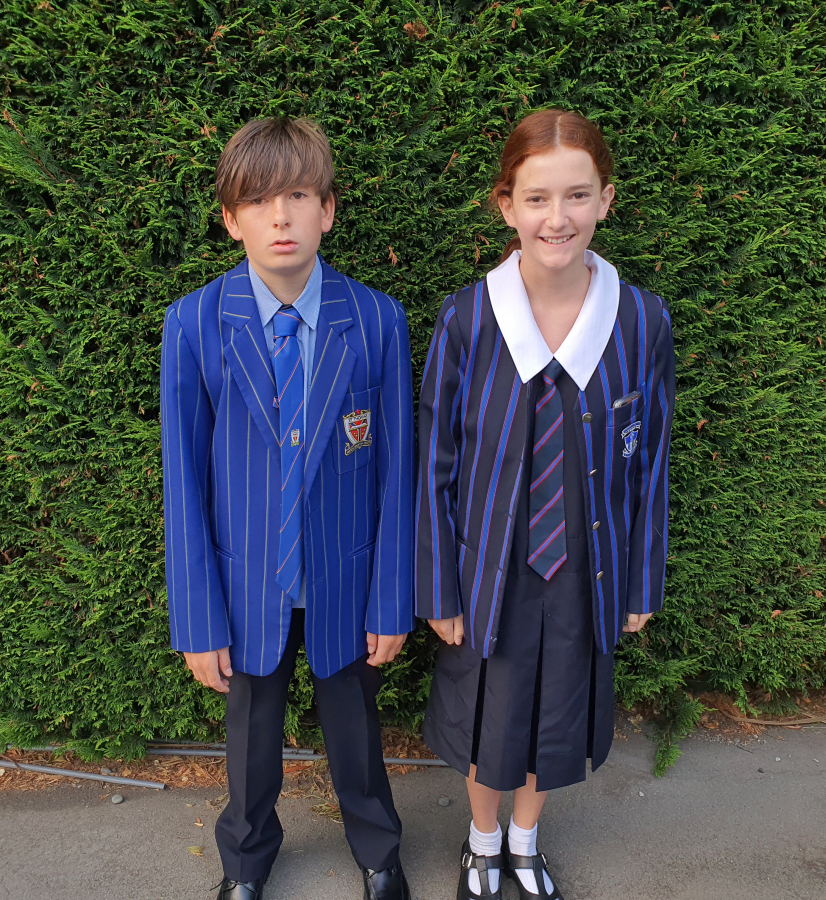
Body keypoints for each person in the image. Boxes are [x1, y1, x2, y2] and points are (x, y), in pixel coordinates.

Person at [415, 108, 676, 900]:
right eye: (536, 199)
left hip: (585, 567)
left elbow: (652, 460)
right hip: (487, 568)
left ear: (605, 200)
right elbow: (435, 462)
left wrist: (640, 584)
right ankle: (480, 839)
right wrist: (437, 586)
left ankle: (525, 842)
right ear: (506, 206)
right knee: (487, 712)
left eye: (575, 196)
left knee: (555, 713)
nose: (555, 218)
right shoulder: (467, 318)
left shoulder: (638, 321)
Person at [161, 117, 414, 900]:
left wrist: (393, 598)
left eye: (298, 196)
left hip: (345, 576)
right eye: (259, 201)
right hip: (244, 587)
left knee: (357, 734)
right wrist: (198, 619)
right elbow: (185, 481)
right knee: (251, 740)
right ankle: (245, 861)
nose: (280, 217)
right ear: (231, 218)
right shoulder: (195, 324)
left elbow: (397, 471)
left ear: (328, 210)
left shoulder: (375, 318)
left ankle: (377, 851)